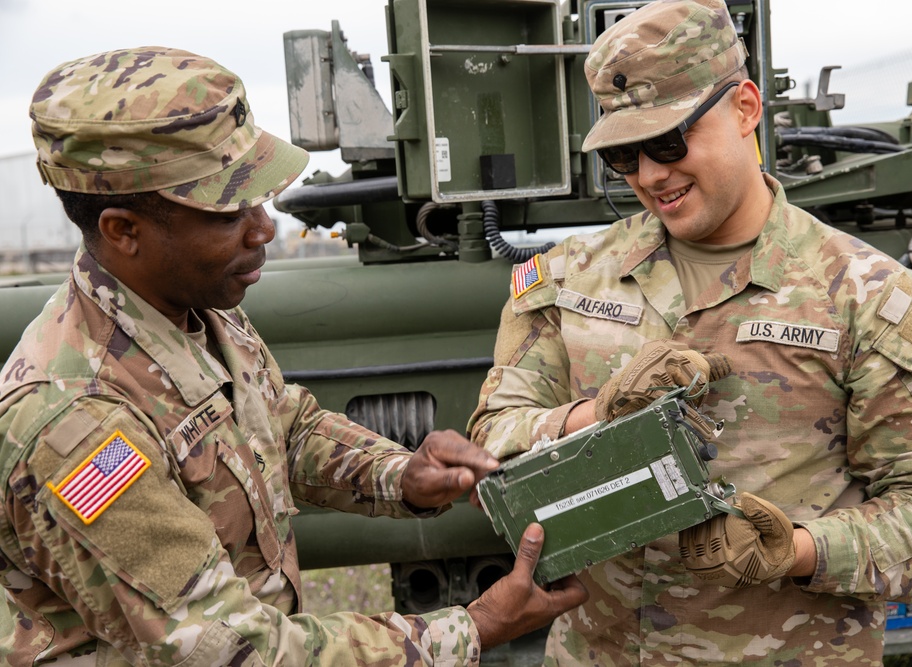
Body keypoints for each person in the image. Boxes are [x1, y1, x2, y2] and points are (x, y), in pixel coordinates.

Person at [0, 46, 587, 665]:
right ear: (124, 231)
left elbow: (281, 424)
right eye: (229, 210)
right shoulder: (76, 426)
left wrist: (400, 476)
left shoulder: (198, 307)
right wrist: (473, 627)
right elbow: (229, 649)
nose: (263, 228)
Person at [467, 1, 912, 665]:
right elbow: (492, 444)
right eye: (625, 156)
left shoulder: (869, 300)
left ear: (746, 109)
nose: (651, 175)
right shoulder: (568, 283)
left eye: (669, 142)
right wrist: (591, 416)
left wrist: (797, 549)